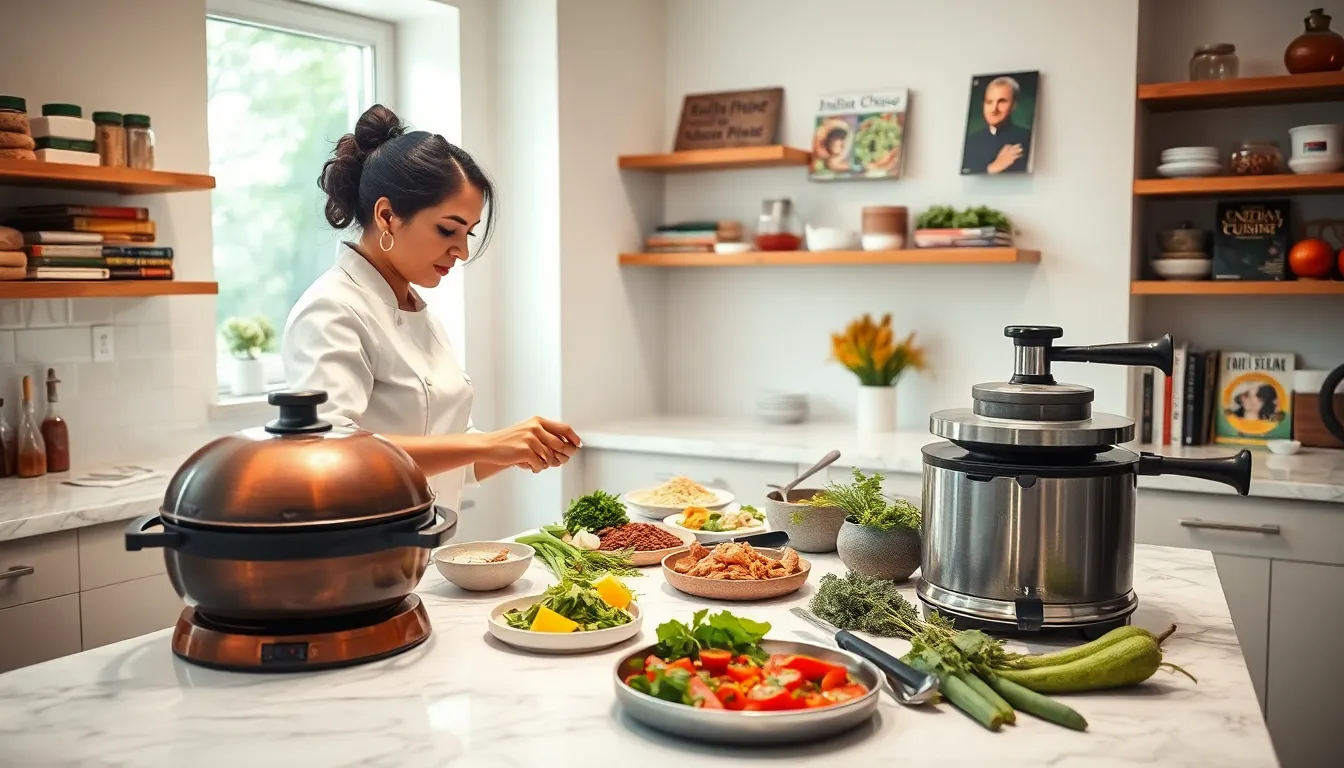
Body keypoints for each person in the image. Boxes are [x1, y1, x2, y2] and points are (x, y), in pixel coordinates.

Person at [282, 104, 579, 514]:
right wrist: (489, 443)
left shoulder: (422, 315)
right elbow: (331, 452)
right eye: (447, 229)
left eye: (468, 233)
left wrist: (517, 447)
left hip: (423, 546)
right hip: (357, 556)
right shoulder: (332, 310)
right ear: (387, 216)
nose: (462, 250)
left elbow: (454, 453)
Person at [962, 76, 1033, 175]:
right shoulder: (971, 141)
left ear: (1014, 105)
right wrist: (993, 167)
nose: (994, 109)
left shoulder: (1027, 138)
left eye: (1002, 102)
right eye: (989, 102)